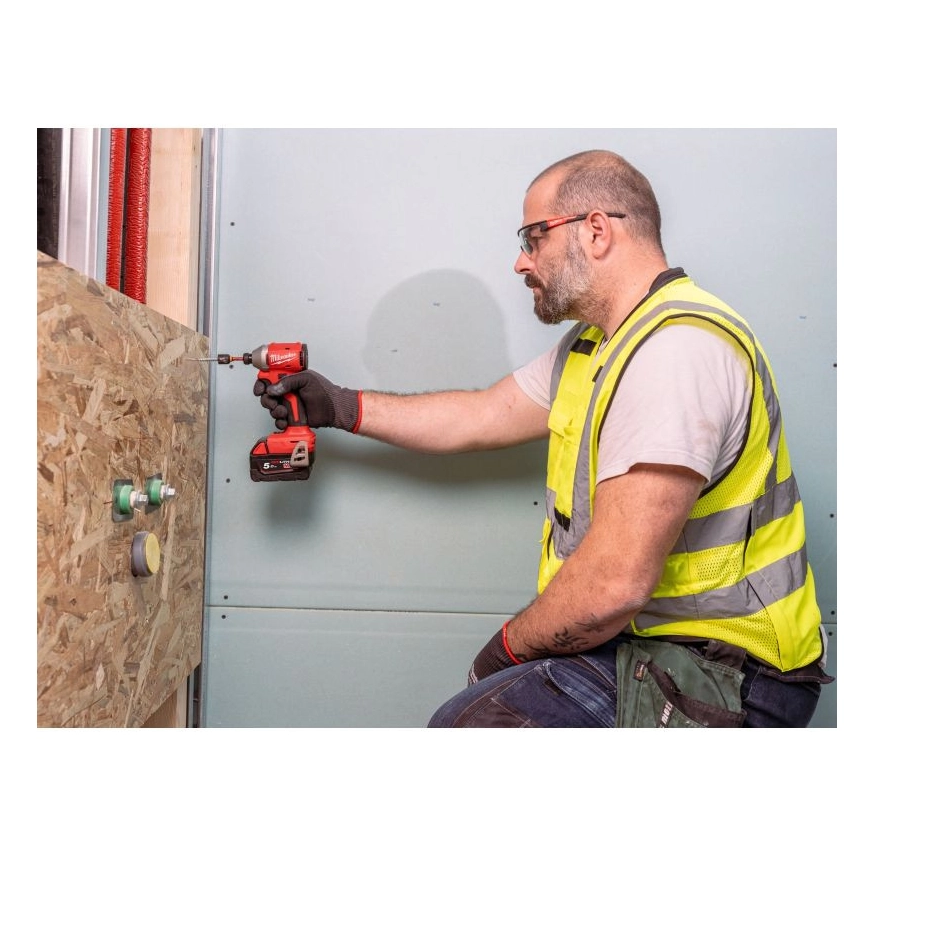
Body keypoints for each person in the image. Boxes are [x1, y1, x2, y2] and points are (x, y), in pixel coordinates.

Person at [256, 150, 834, 727]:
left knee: (474, 724)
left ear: (597, 231)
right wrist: (340, 406)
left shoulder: (676, 351)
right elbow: (482, 415)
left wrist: (504, 651)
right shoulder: (596, 344)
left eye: (534, 238)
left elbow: (614, 583)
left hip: (728, 672)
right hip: (645, 646)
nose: (520, 261)